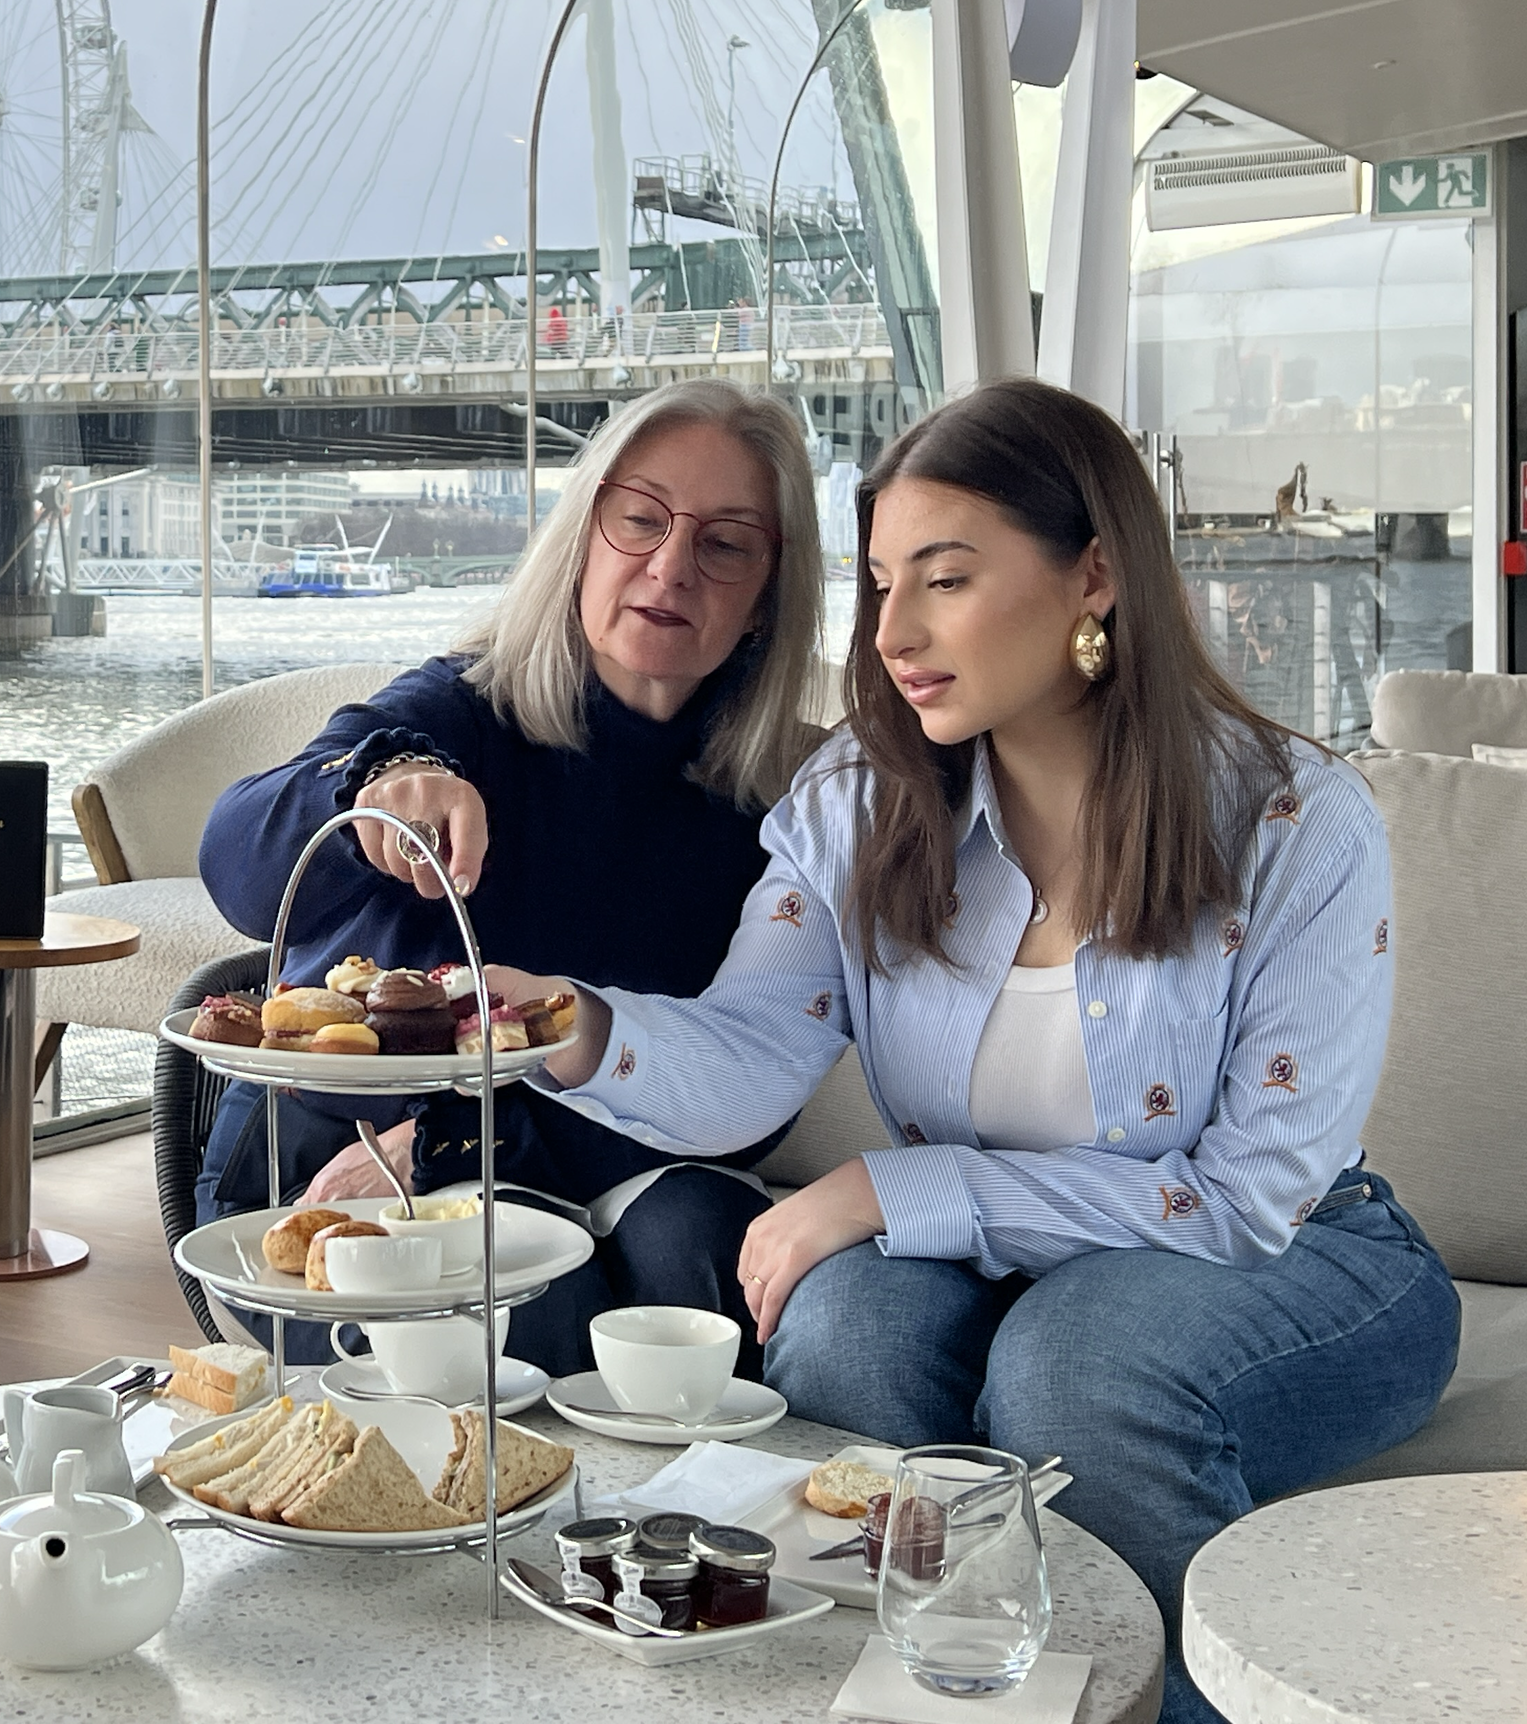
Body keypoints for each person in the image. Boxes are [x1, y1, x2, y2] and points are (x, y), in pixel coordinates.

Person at [488, 380, 1458, 1724]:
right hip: (987, 1247)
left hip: (1292, 1251)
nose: (891, 632)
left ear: (1095, 576)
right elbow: (756, 1050)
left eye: (943, 579)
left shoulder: (1296, 823)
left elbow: (1246, 1197)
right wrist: (573, 1024)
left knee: (1075, 1367)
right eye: (881, 582)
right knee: (835, 1333)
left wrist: (899, 1189)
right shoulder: (860, 800)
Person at [193, 377, 829, 1374]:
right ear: (583, 536)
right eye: (640, 521)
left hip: (564, 1153)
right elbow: (232, 862)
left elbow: (748, 1089)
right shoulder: (455, 712)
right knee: (530, 1312)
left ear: (766, 597)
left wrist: (470, 1145)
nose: (670, 567)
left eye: (724, 544)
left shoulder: (782, 799)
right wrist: (373, 789)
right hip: (337, 1154)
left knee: (704, 1264)